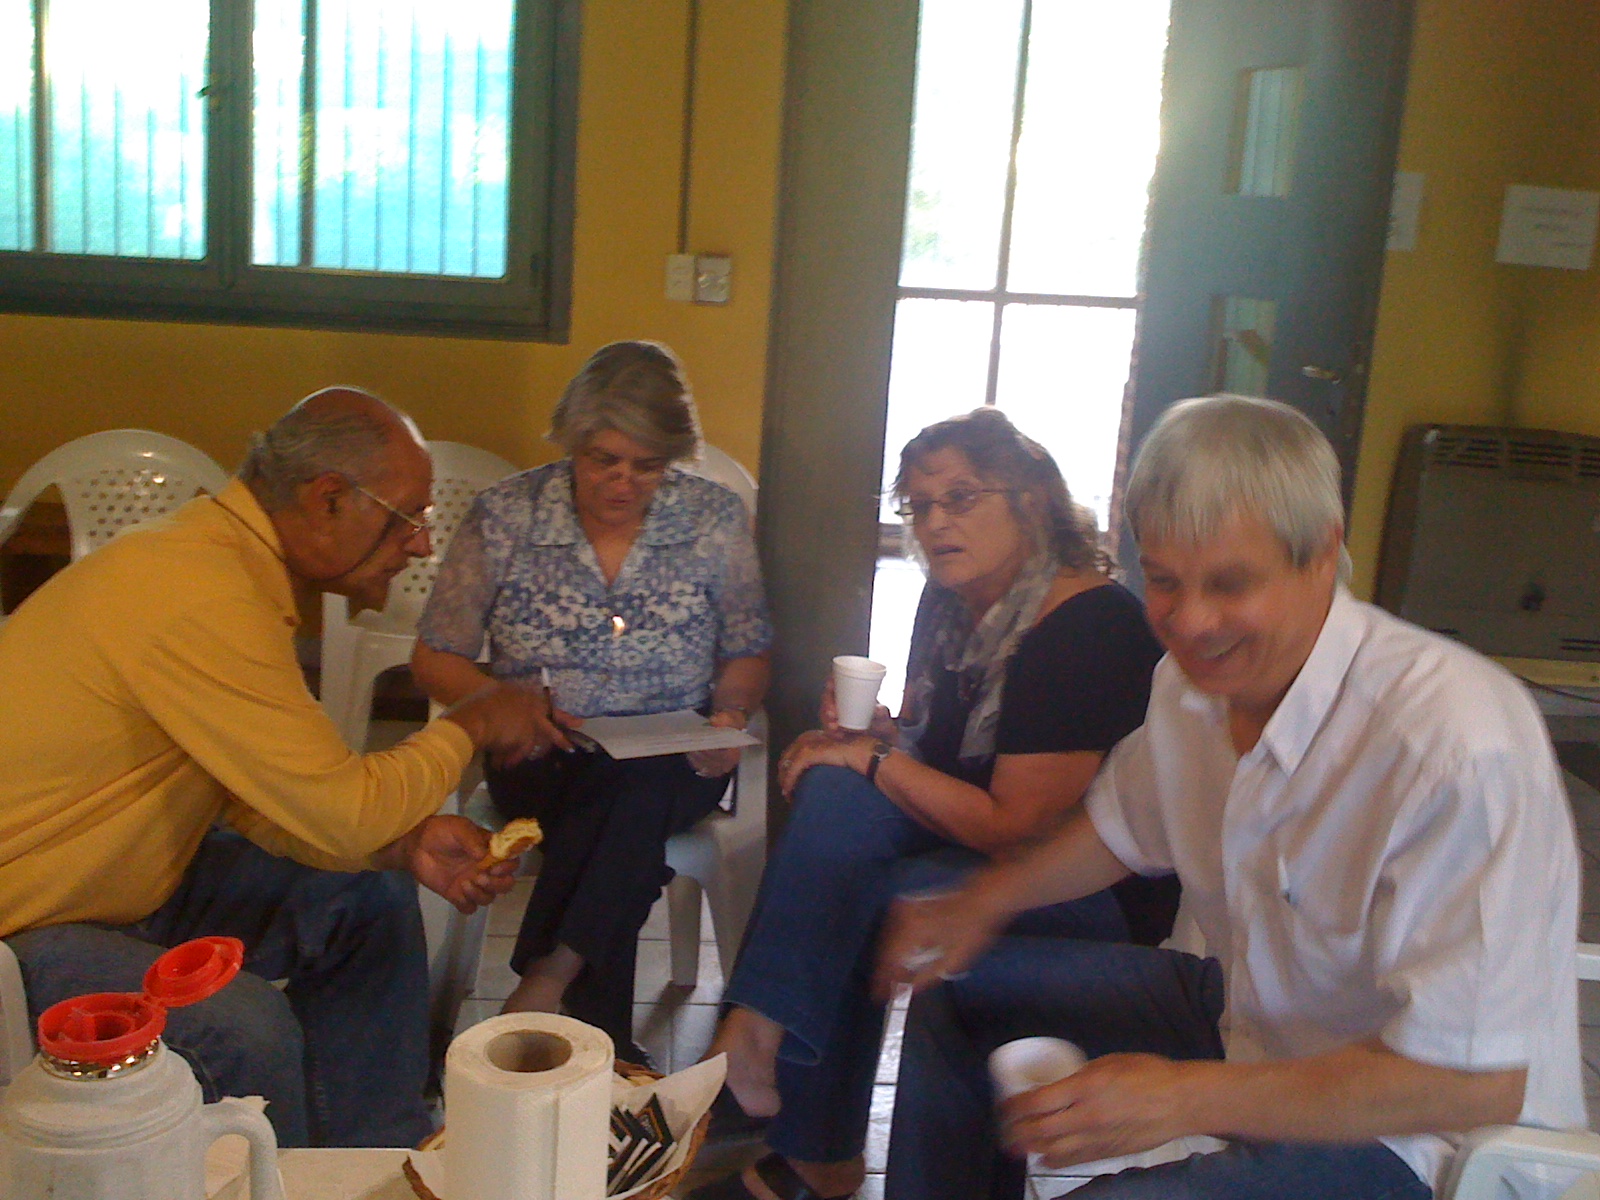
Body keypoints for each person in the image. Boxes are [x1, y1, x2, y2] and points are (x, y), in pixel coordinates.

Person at [877, 394, 1584, 1200]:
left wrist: (1181, 1097)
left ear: (1322, 554)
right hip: (1256, 1020)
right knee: (954, 992)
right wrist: (980, 903)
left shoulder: (1453, 745)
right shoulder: (1192, 690)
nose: (1191, 623)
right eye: (1165, 582)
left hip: (1427, 1140)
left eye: (1230, 583)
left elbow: (1474, 1084)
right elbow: (1116, 828)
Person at [0, 388, 544, 1148]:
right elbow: (343, 810)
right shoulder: (198, 590)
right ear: (328, 498)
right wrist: (474, 722)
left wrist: (400, 845)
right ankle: (286, 1180)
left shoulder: (223, 567)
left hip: (117, 881)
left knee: (368, 896)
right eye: (407, 518)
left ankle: (379, 1160)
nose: (421, 546)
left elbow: (259, 798)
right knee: (244, 1028)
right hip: (22, 924)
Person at [694, 407, 1172, 1200]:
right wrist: (873, 738)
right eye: (919, 506)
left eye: (961, 498)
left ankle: (801, 1126)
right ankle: (768, 1052)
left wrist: (875, 760)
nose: (936, 522)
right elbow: (936, 754)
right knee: (835, 791)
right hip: (979, 842)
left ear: (1030, 501)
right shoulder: (949, 604)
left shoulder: (1088, 625)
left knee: (880, 887)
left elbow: (1017, 826)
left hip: (1084, 884)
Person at [412, 340, 772, 1063]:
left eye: (647, 465)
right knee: (615, 799)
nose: (622, 481)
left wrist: (730, 716)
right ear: (572, 442)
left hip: (677, 754)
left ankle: (548, 989)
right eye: (603, 459)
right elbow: (435, 656)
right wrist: (503, 704)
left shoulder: (712, 517)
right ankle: (580, 1013)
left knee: (632, 787)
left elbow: (749, 649)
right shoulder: (507, 515)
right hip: (541, 753)